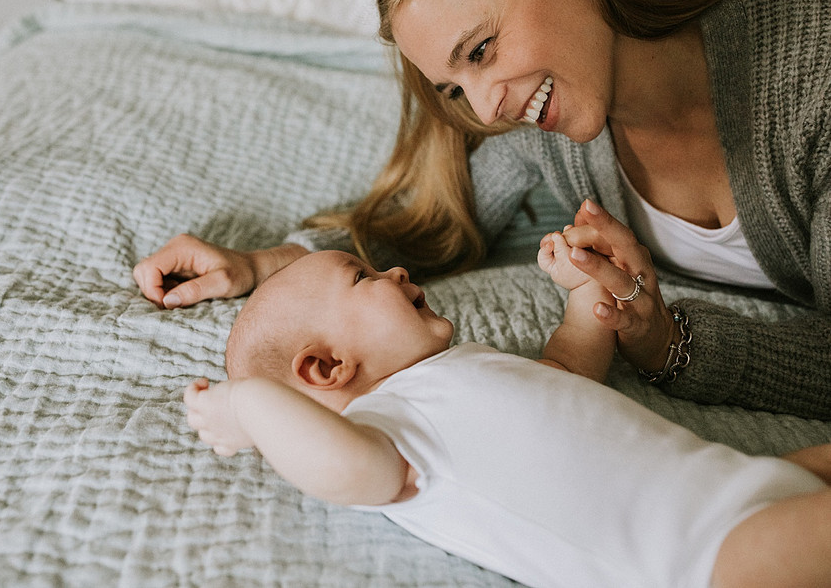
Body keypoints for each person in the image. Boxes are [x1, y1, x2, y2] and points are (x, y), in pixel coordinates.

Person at [137, 0, 831, 419]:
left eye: (481, 48)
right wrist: (260, 264)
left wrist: (667, 341)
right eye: (456, 86)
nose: (488, 105)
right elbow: (431, 226)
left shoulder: (814, 59)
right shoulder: (547, 122)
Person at [184, 241, 831, 588]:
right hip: (707, 558)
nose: (396, 270)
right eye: (364, 276)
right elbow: (335, 464)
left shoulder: (458, 370)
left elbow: (567, 376)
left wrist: (583, 299)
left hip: (745, 480)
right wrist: (246, 408)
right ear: (326, 367)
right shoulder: (385, 433)